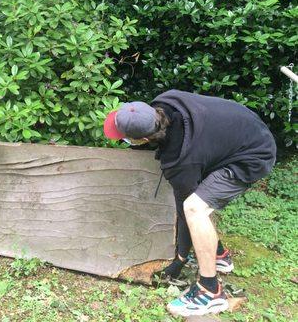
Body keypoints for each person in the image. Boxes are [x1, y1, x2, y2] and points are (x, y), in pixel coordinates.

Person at [103, 89, 276, 317]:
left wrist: (179, 260)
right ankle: (220, 256)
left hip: (253, 155)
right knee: (201, 198)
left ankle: (210, 291)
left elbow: (184, 211)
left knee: (194, 207)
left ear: (142, 140)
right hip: (243, 130)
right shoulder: (166, 101)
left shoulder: (180, 158)